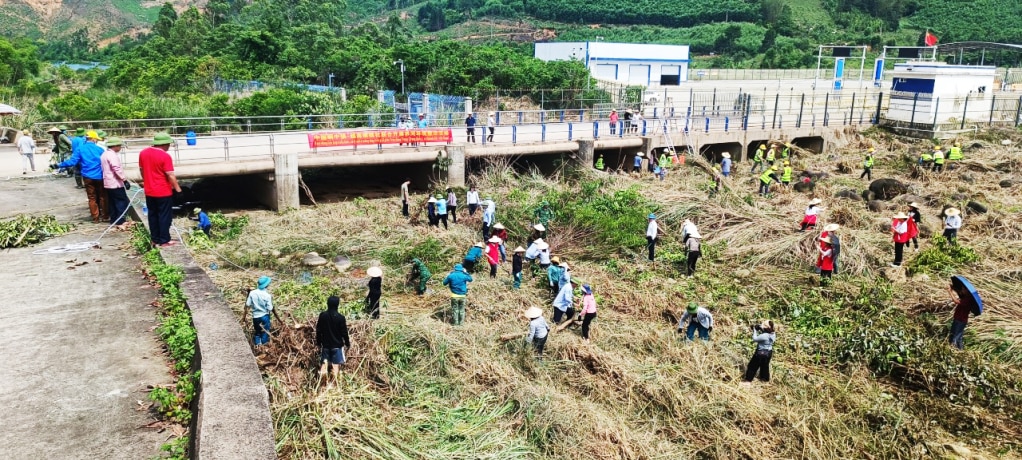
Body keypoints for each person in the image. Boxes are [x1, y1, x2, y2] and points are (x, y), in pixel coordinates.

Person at [137, 133, 182, 247]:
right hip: (163, 191)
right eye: (169, 144)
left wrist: (147, 181)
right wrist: (178, 190)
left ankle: (155, 239)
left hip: (149, 190)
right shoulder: (165, 156)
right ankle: (164, 240)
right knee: (164, 216)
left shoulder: (143, 153)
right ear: (164, 144)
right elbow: (170, 175)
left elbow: (142, 170)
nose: (169, 147)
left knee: (152, 215)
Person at [56, 130, 109, 224]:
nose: (96, 141)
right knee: (102, 196)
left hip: (87, 177)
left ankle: (95, 218)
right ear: (93, 139)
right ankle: (105, 216)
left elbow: (72, 162)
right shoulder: (100, 150)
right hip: (99, 176)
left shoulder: (80, 149)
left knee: (92, 197)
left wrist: (59, 165)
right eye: (96, 139)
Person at [316, 296, 351, 384]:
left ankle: (322, 383)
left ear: (327, 304)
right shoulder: (340, 318)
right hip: (337, 346)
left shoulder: (323, 315)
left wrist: (318, 342)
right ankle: (335, 385)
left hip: (326, 345)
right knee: (336, 366)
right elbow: (344, 333)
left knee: (324, 364)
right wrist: (347, 343)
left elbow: (318, 330)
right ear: (337, 305)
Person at [100, 137, 130, 228]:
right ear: (115, 146)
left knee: (112, 202)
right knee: (121, 201)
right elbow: (116, 168)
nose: (120, 148)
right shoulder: (112, 155)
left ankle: (114, 219)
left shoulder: (104, 154)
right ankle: (121, 220)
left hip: (108, 182)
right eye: (119, 146)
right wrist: (124, 180)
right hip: (115, 182)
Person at [245, 276, 282, 346]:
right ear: (266, 285)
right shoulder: (267, 295)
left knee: (257, 332)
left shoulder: (252, 293)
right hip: (264, 316)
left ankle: (257, 346)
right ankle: (264, 346)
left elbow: (248, 304)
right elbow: (270, 308)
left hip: (255, 317)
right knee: (265, 332)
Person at [948, 277, 979, 350]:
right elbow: (960, 293)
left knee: (954, 337)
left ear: (967, 291)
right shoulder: (966, 297)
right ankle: (961, 351)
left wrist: (949, 292)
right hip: (959, 319)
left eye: (963, 289)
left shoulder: (968, 299)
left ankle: (953, 351)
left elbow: (956, 301)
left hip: (960, 320)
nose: (962, 290)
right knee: (959, 338)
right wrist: (953, 288)